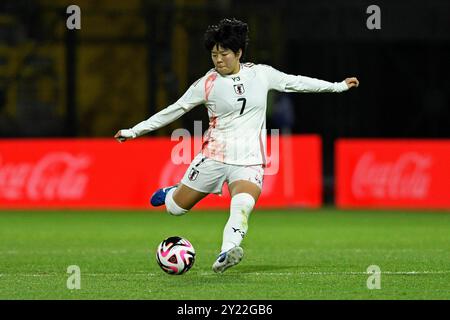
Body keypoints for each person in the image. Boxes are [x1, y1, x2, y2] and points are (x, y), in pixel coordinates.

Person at [114, 18, 359, 273]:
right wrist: (134, 131)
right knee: (175, 209)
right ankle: (172, 192)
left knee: (242, 206)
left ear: (239, 53)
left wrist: (337, 87)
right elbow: (173, 110)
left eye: (224, 54)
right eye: (214, 54)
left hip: (250, 160)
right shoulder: (206, 84)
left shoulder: (261, 74)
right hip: (214, 157)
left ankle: (226, 252)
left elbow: (296, 81)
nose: (218, 60)